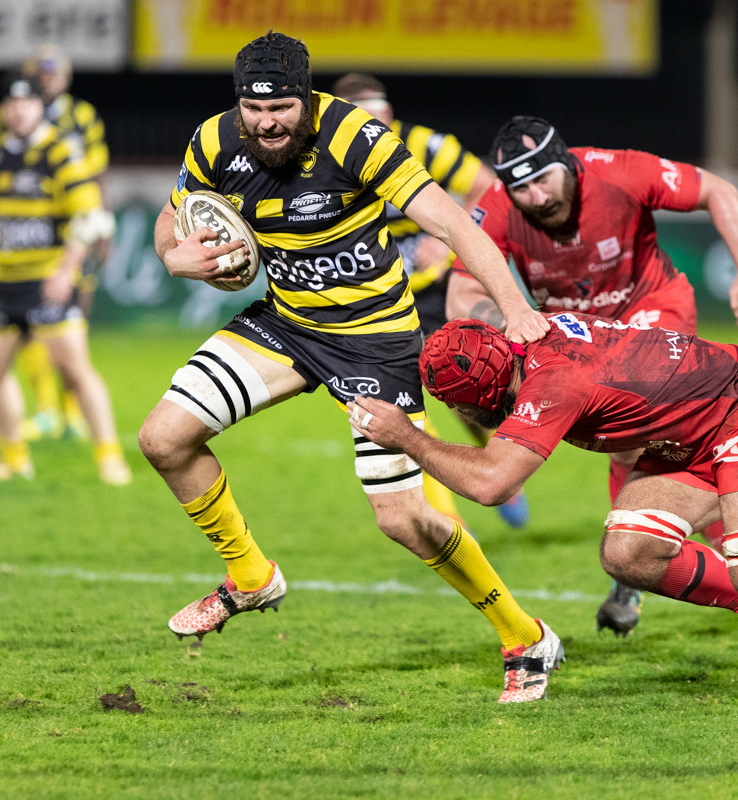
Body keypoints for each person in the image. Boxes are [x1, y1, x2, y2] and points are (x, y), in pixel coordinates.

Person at [139, 31, 561, 704]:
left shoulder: (356, 137)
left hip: (375, 341)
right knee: (163, 437)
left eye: (281, 108)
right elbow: (174, 212)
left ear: (306, 99)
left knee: (403, 519)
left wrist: (515, 309)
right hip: (288, 325)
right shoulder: (215, 140)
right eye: (254, 109)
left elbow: (455, 223)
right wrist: (172, 253)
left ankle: (525, 637)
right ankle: (251, 577)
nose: (266, 123)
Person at [349, 314, 738, 716]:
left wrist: (406, 436)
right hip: (692, 431)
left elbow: (491, 485)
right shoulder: (527, 335)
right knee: (630, 553)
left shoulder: (552, 384)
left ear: (484, 399)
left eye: (463, 408)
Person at [447, 115, 738, 635]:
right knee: (634, 445)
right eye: (521, 187)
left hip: (653, 310)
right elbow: (461, 294)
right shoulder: (499, 206)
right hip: (580, 340)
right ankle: (659, 556)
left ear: (566, 163)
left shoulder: (619, 172)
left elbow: (719, 191)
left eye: (543, 178)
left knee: (643, 438)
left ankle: (683, 560)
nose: (535, 197)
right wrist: (508, 323)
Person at [328, 72, 528, 529]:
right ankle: (445, 518)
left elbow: (486, 186)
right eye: (363, 122)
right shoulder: (322, 158)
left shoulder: (426, 146)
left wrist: (447, 241)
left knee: (466, 385)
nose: (375, 131)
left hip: (432, 290)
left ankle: (496, 460)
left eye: (381, 119)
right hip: (368, 297)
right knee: (398, 402)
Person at [0, 71, 131, 486]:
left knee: (74, 369)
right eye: (13, 104)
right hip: (1, 281)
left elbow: (87, 216)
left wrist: (65, 271)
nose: (20, 111)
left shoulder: (62, 152)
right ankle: (13, 459)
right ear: (4, 109)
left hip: (47, 279)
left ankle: (110, 457)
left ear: (41, 107)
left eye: (28, 103)